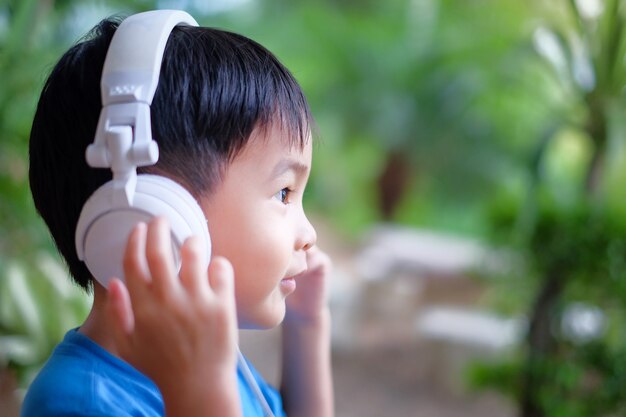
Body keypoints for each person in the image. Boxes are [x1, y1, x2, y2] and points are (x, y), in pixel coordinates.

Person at [22, 10, 333, 417]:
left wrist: (306, 326)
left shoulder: (213, 359)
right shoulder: (81, 402)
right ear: (153, 214)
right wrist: (200, 391)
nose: (308, 233)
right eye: (283, 193)